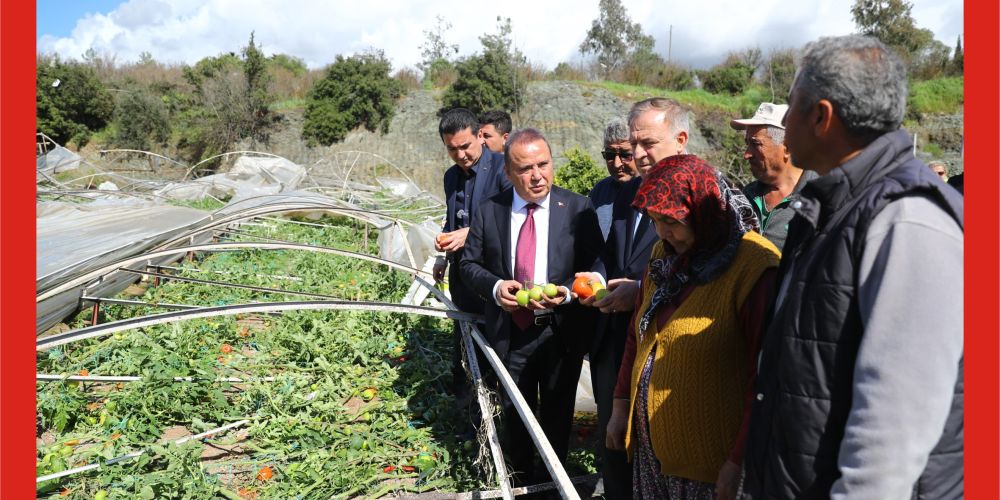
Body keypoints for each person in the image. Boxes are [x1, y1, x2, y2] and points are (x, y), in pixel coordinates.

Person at [742, 35, 963, 500]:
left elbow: (896, 421)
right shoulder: (826, 208)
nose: (784, 120)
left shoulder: (907, 217)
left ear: (821, 116)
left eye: (791, 104)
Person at [602, 154, 779, 500]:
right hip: (653, 461)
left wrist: (739, 460)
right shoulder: (664, 256)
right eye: (655, 220)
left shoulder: (755, 267)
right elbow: (637, 336)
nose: (663, 232)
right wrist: (620, 406)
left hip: (711, 470)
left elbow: (768, 377)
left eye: (673, 220)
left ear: (703, 212)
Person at [459, 128, 603, 487]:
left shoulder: (577, 208)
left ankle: (554, 484)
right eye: (525, 168)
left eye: (543, 164)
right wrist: (495, 288)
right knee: (515, 415)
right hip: (511, 331)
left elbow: (597, 265)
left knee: (557, 414)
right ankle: (521, 484)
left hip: (559, 331)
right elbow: (469, 265)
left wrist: (569, 293)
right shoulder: (489, 210)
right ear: (508, 172)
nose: (537, 175)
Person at [578, 98, 692, 499]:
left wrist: (639, 291)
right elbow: (613, 256)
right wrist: (600, 278)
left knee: (658, 443)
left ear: (680, 140)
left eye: (647, 145)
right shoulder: (631, 195)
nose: (637, 157)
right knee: (616, 437)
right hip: (619, 339)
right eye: (632, 146)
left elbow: (705, 276)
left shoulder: (704, 194)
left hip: (670, 350)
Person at [435, 108, 511, 404]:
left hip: (493, 273)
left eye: (465, 146)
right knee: (464, 333)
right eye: (452, 149)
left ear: (480, 135)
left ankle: (496, 400)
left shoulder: (504, 168)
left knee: (494, 340)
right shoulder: (451, 177)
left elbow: (510, 217)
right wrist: (442, 253)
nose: (461, 154)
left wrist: (470, 233)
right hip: (461, 272)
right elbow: (452, 217)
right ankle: (468, 399)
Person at [731, 102, 818, 250]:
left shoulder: (818, 198)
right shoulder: (746, 196)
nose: (747, 154)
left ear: (787, 147)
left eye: (756, 144)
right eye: (747, 143)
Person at [590, 118, 639, 241]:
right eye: (610, 155)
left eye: (625, 155)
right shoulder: (600, 191)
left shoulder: (655, 193)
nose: (617, 164)